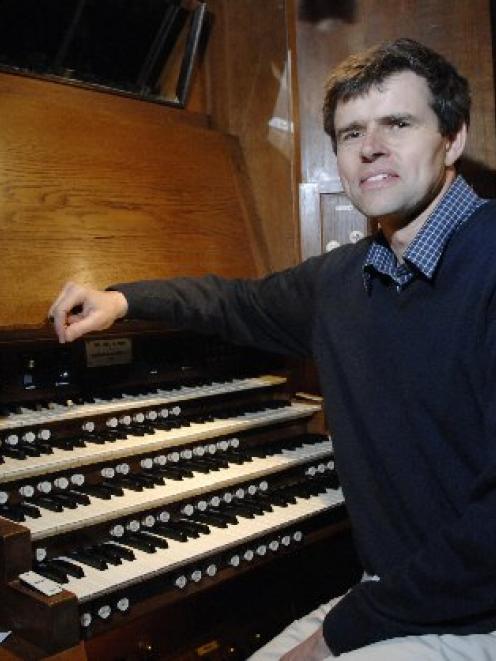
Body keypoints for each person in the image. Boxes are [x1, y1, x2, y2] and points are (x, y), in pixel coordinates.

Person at [49, 39, 496, 660]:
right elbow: (236, 303)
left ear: (452, 137)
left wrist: (336, 635)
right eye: (350, 133)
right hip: (397, 594)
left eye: (398, 123)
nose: (371, 147)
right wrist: (124, 301)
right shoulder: (342, 281)